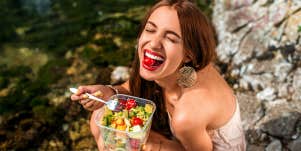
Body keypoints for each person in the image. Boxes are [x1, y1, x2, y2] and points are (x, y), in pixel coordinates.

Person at [71, 0, 246, 150]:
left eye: (170, 38)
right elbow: (130, 88)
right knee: (101, 117)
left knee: (117, 138)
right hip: (181, 137)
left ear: (189, 54)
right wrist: (108, 92)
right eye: (150, 30)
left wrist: (151, 144)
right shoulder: (182, 69)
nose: (154, 43)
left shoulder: (188, 114)